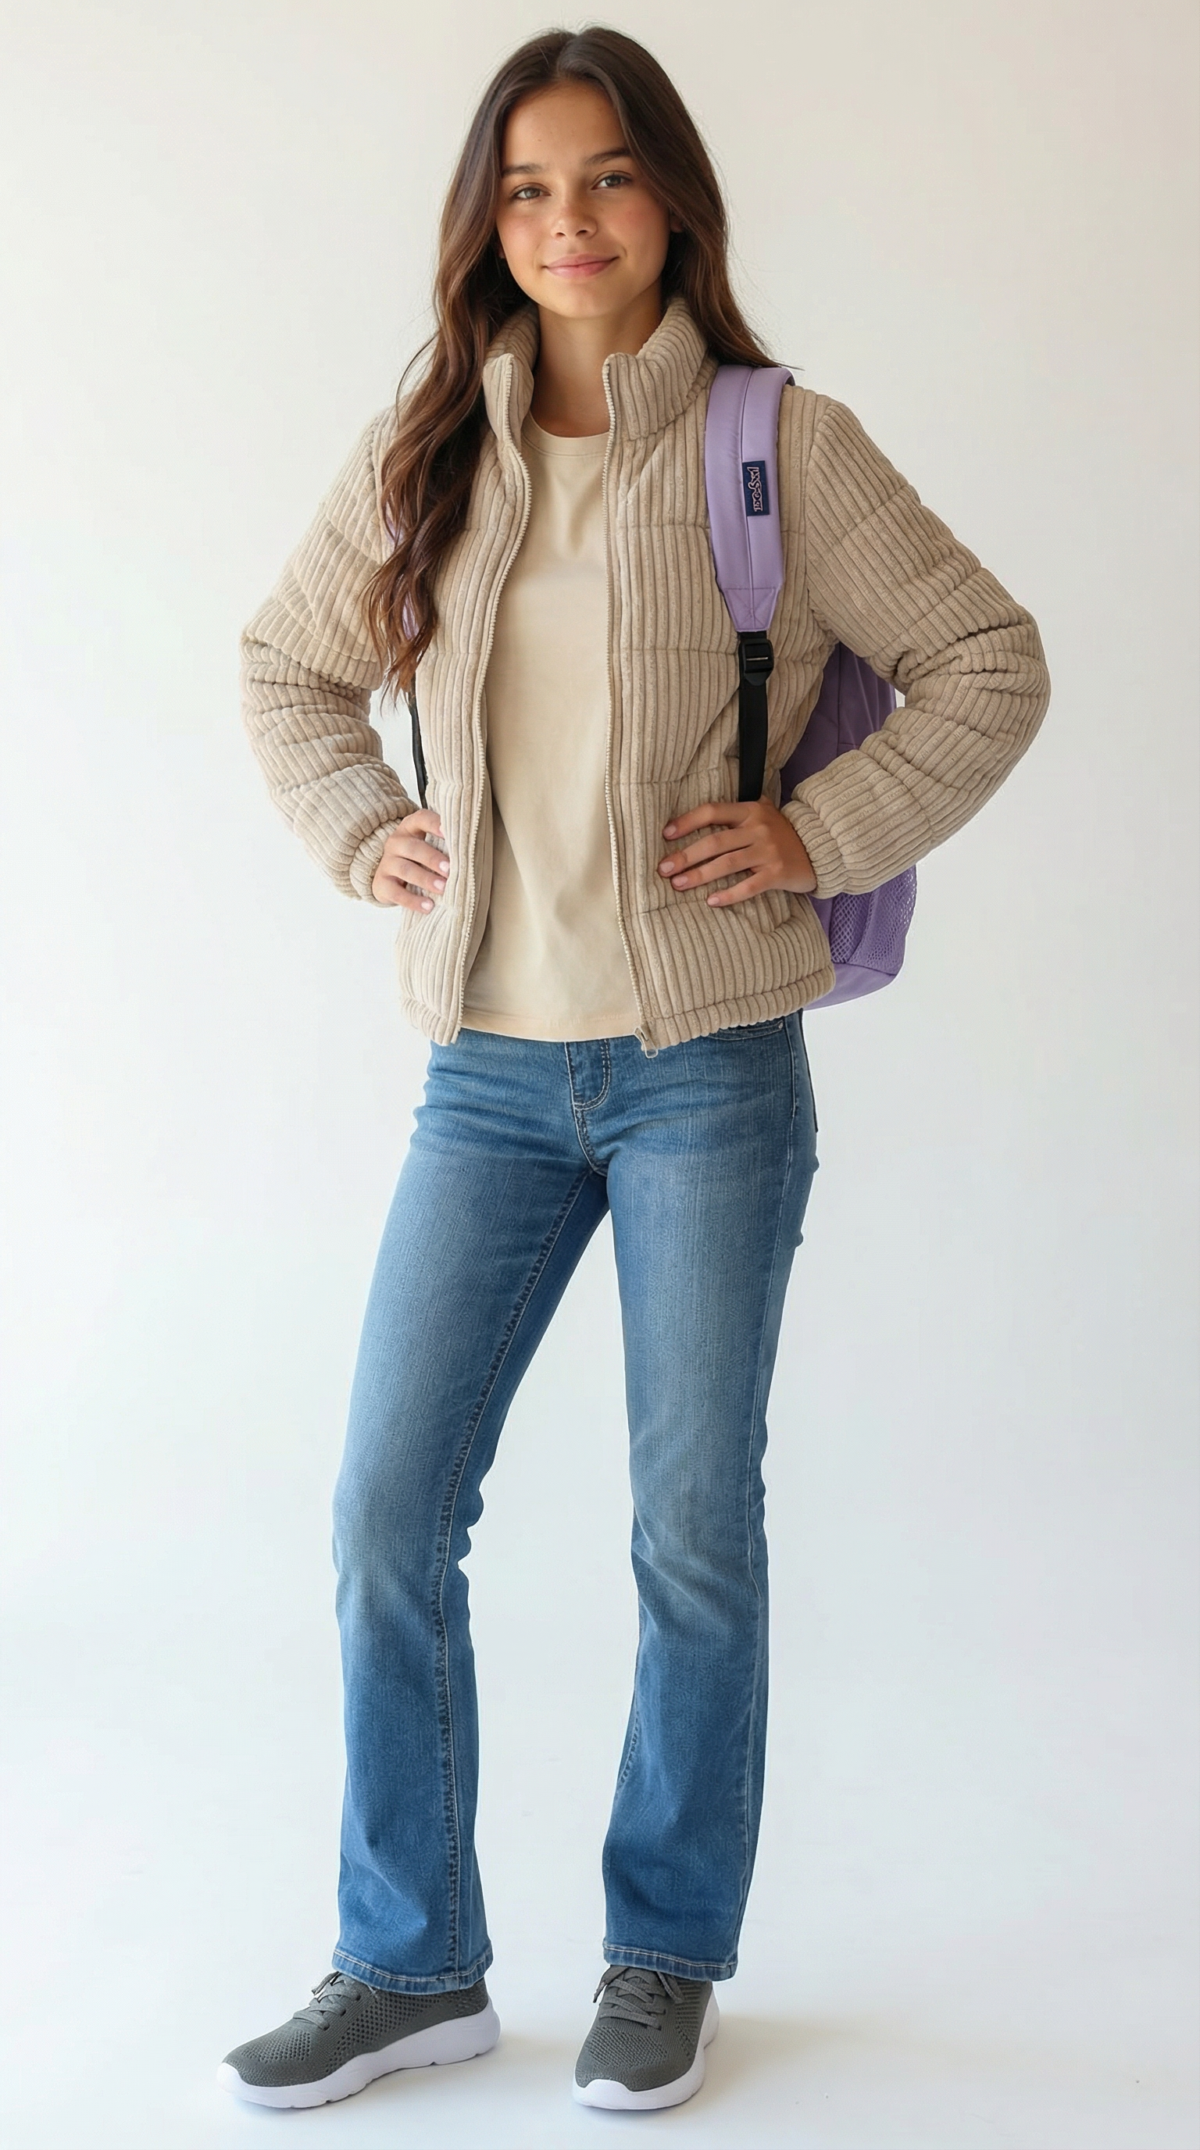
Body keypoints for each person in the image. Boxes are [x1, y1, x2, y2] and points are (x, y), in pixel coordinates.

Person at [218, 24, 1051, 2117]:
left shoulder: (777, 445)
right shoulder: (439, 441)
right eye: (524, 191)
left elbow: (988, 658)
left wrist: (816, 831)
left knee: (690, 1530)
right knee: (385, 1511)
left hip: (706, 1072)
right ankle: (408, 1963)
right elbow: (285, 665)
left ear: (670, 197)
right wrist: (358, 832)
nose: (565, 224)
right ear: (486, 225)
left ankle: (664, 1950)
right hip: (490, 1073)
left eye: (602, 181)